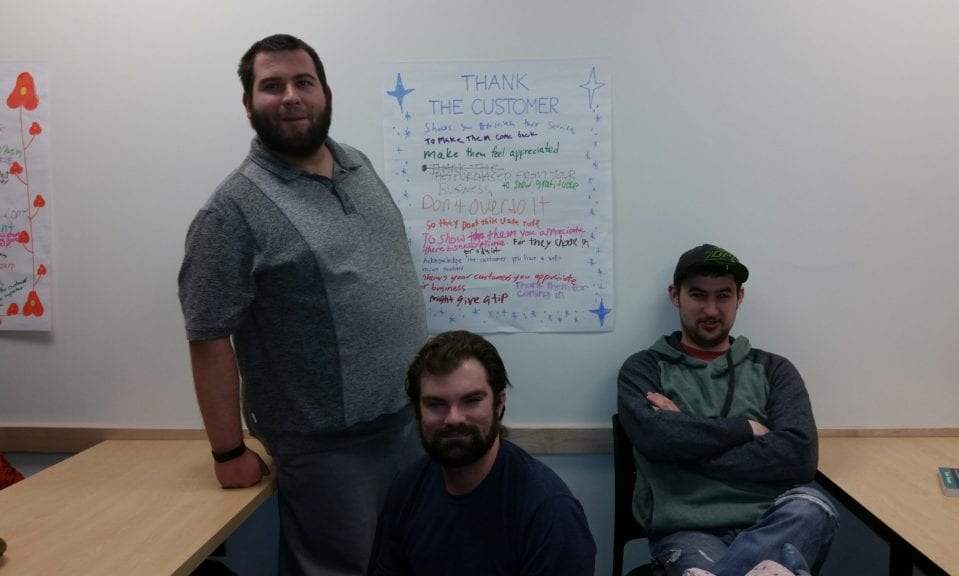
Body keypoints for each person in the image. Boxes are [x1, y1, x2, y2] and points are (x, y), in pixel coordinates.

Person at [177, 34, 426, 576]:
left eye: (303, 82)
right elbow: (208, 334)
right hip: (326, 449)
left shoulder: (357, 165)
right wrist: (226, 452)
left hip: (408, 426)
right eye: (272, 86)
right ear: (248, 104)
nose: (290, 96)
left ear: (325, 92)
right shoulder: (231, 211)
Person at [617, 244, 838, 576]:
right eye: (697, 295)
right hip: (687, 528)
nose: (711, 309)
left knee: (813, 505)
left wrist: (685, 440)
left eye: (723, 296)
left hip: (774, 520)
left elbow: (799, 457)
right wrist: (746, 429)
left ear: (740, 297)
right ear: (675, 295)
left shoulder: (775, 370)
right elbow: (656, 437)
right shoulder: (644, 369)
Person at [369, 330, 596, 575]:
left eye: (471, 400)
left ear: (499, 404)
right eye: (436, 404)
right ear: (418, 411)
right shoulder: (406, 488)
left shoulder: (549, 512)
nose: (453, 418)